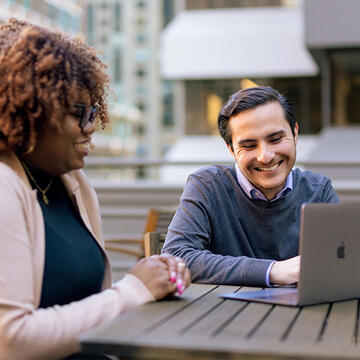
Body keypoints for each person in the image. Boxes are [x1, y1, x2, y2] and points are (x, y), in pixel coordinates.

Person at [0, 18, 190, 360]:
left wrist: (153, 281)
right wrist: (133, 290)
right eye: (79, 113)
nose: (91, 127)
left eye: (94, 111)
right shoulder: (3, 186)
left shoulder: (74, 185)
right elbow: (11, 342)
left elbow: (85, 308)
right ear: (32, 111)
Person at [162, 86, 339, 287]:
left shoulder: (319, 190)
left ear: (295, 134)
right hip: (224, 315)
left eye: (275, 139)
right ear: (231, 150)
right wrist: (272, 271)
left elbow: (342, 260)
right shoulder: (207, 186)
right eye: (248, 145)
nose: (265, 156)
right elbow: (176, 257)